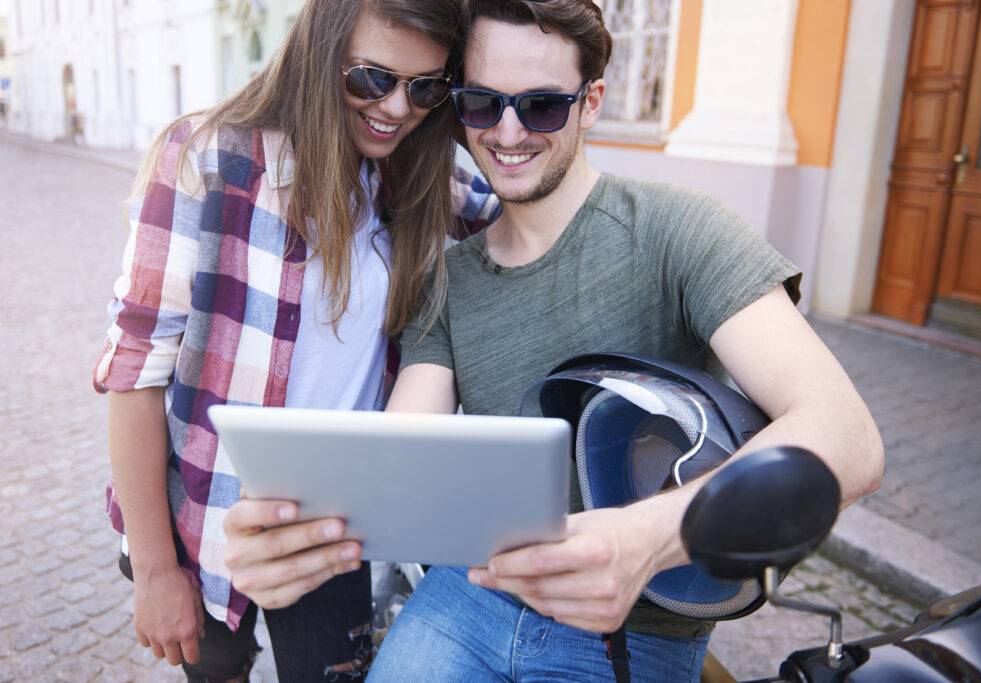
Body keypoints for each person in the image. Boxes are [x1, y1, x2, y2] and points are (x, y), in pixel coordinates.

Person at [222, 1, 885, 680]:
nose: (507, 132)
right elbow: (401, 453)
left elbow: (849, 437)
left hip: (635, 628)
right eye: (482, 103)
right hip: (470, 593)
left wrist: (648, 538)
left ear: (590, 102)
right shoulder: (447, 279)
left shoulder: (678, 230)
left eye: (541, 106)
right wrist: (289, 535)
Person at [92, 1, 498, 681]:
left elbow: (525, 213)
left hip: (333, 527)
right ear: (320, 50)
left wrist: (479, 110)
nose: (397, 108)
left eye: (426, 87)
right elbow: (136, 371)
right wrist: (157, 571)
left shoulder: (417, 170)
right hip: (203, 518)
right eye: (373, 79)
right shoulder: (205, 157)